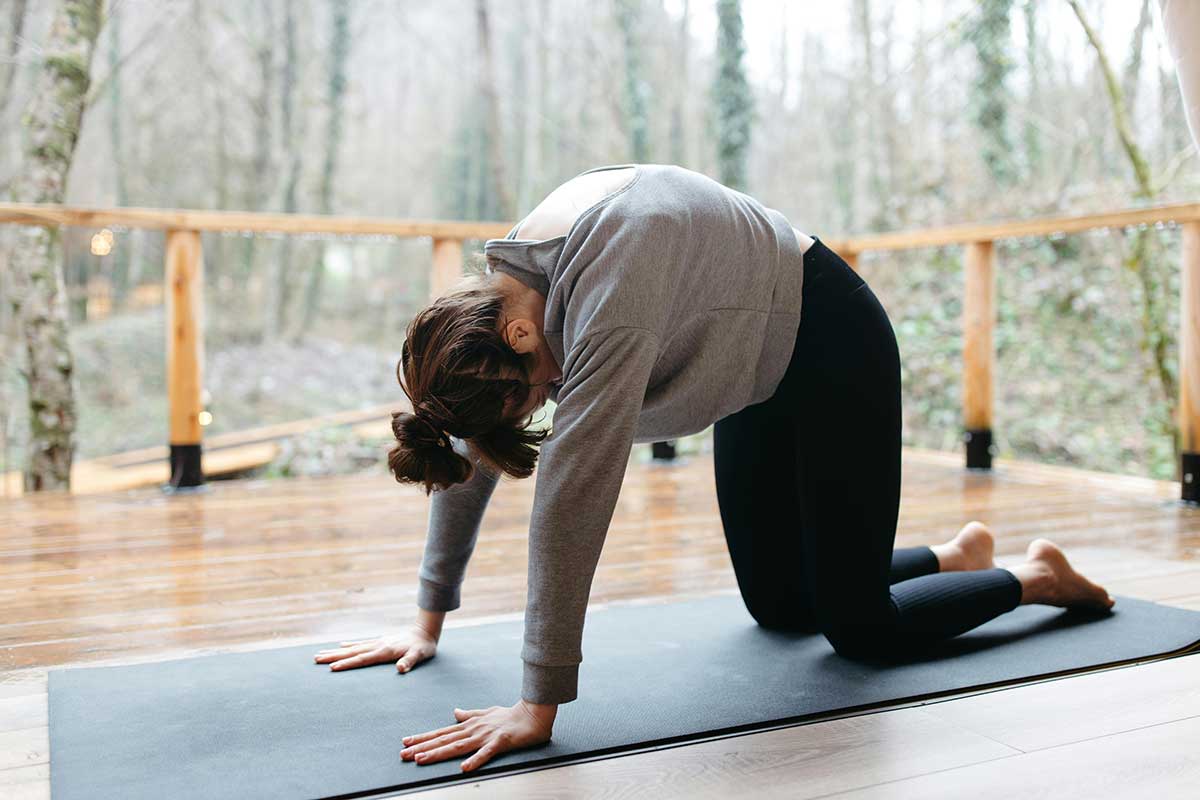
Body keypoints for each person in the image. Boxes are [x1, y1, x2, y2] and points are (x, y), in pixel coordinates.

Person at [312, 164, 1115, 773]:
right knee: (779, 608)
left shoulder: (606, 288)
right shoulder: (515, 298)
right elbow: (475, 442)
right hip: (751, 367)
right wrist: (428, 614)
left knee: (860, 630)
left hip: (831, 339)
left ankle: (1033, 575)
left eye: (538, 394)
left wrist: (538, 702)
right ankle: (948, 557)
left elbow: (573, 495)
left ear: (520, 340)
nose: (549, 397)